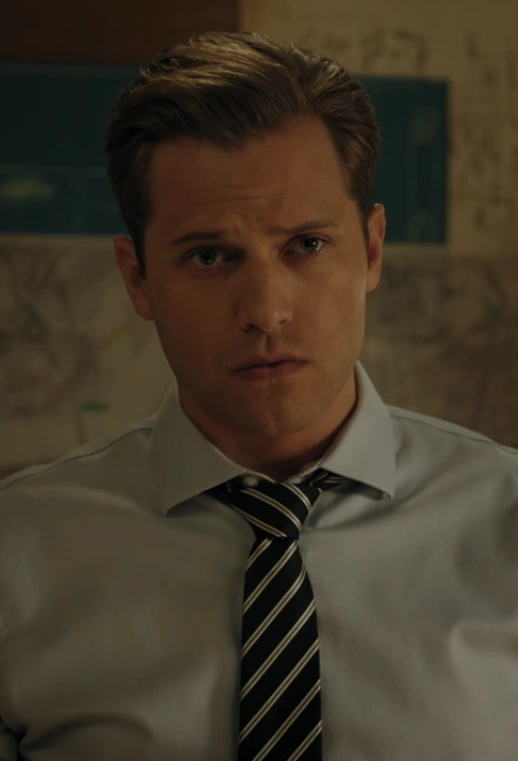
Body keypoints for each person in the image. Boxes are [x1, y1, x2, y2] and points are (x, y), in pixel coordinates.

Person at [0, 29, 517, 761]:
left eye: (306, 245)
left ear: (371, 250)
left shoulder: (505, 520)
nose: (267, 311)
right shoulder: (17, 551)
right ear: (137, 279)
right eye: (210, 255)